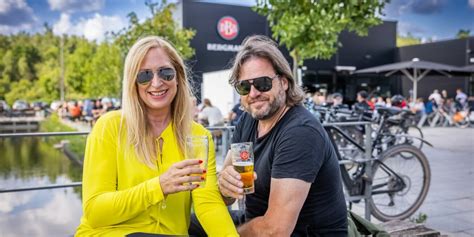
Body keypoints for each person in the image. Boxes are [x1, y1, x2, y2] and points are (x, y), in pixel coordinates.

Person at [75, 36, 238, 236]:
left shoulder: (198, 135)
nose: (156, 82)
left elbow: (209, 204)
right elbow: (95, 212)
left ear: (178, 76)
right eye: (144, 76)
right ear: (133, 83)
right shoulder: (109, 127)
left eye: (165, 73)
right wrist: (159, 186)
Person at [216, 35, 347, 236]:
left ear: (284, 82)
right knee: (183, 225)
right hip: (256, 222)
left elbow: (275, 230)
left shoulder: (300, 132)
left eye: (262, 83)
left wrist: (224, 234)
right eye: (244, 86)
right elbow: (225, 197)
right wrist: (225, 185)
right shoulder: (248, 120)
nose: (253, 93)